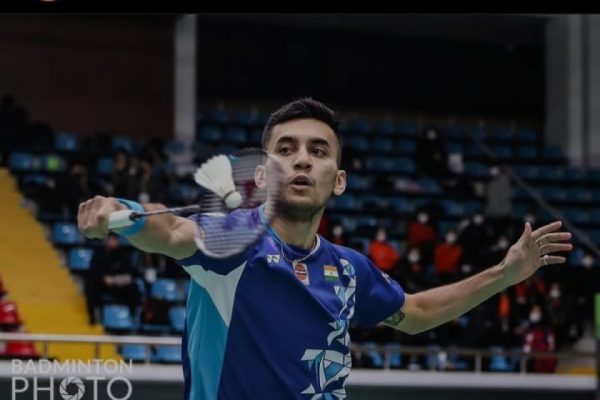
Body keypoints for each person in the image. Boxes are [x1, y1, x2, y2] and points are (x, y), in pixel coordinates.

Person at [78, 98, 572, 399]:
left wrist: (505, 274)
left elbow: (416, 313)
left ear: (338, 181)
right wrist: (119, 212)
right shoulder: (233, 243)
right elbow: (168, 231)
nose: (301, 160)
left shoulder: (349, 270)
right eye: (286, 149)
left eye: (318, 151)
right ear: (261, 175)